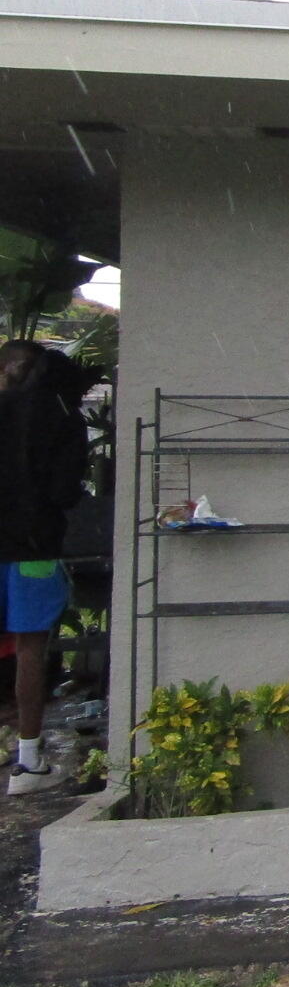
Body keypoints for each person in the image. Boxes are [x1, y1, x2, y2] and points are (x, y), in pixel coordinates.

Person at [0, 340, 88, 796]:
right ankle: (29, 762)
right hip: (34, 547)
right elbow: (66, 491)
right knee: (31, 647)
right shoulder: (59, 415)